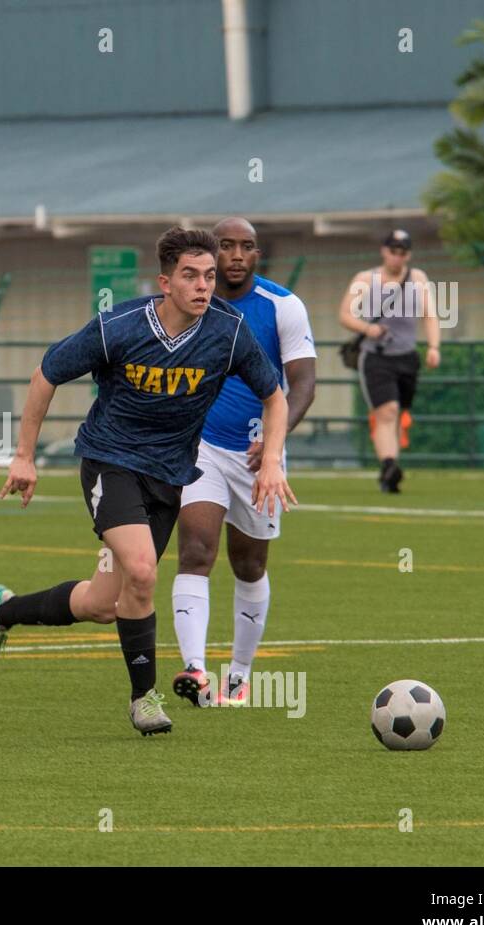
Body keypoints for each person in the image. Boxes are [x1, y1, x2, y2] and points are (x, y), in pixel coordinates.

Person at [0, 228, 296, 736]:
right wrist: (24, 457)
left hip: (168, 478)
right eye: (190, 275)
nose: (203, 286)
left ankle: (5, 609)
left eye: (209, 276)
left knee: (106, 603)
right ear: (165, 282)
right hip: (110, 462)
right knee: (143, 571)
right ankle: (144, 699)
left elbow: (275, 395)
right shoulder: (120, 326)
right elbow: (46, 374)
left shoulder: (227, 332)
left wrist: (272, 458)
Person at [170, 218, 317, 707]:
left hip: (260, 457)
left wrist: (274, 445)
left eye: (246, 247)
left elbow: (303, 385)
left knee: (249, 565)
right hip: (201, 447)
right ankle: (195, 670)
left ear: (257, 255)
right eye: (226, 246)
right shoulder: (189, 304)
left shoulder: (283, 307)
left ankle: (239, 674)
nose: (235, 255)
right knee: (195, 549)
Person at [337, 229, 441, 493]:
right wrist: (367, 329)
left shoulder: (418, 278)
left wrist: (433, 346)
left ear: (409, 255)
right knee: (387, 412)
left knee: (398, 413)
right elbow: (345, 314)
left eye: (402, 252)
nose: (397, 257)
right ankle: (389, 465)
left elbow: (430, 315)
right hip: (376, 357)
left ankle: (390, 468)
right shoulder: (366, 279)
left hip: (407, 357)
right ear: (384, 251)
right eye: (393, 251)